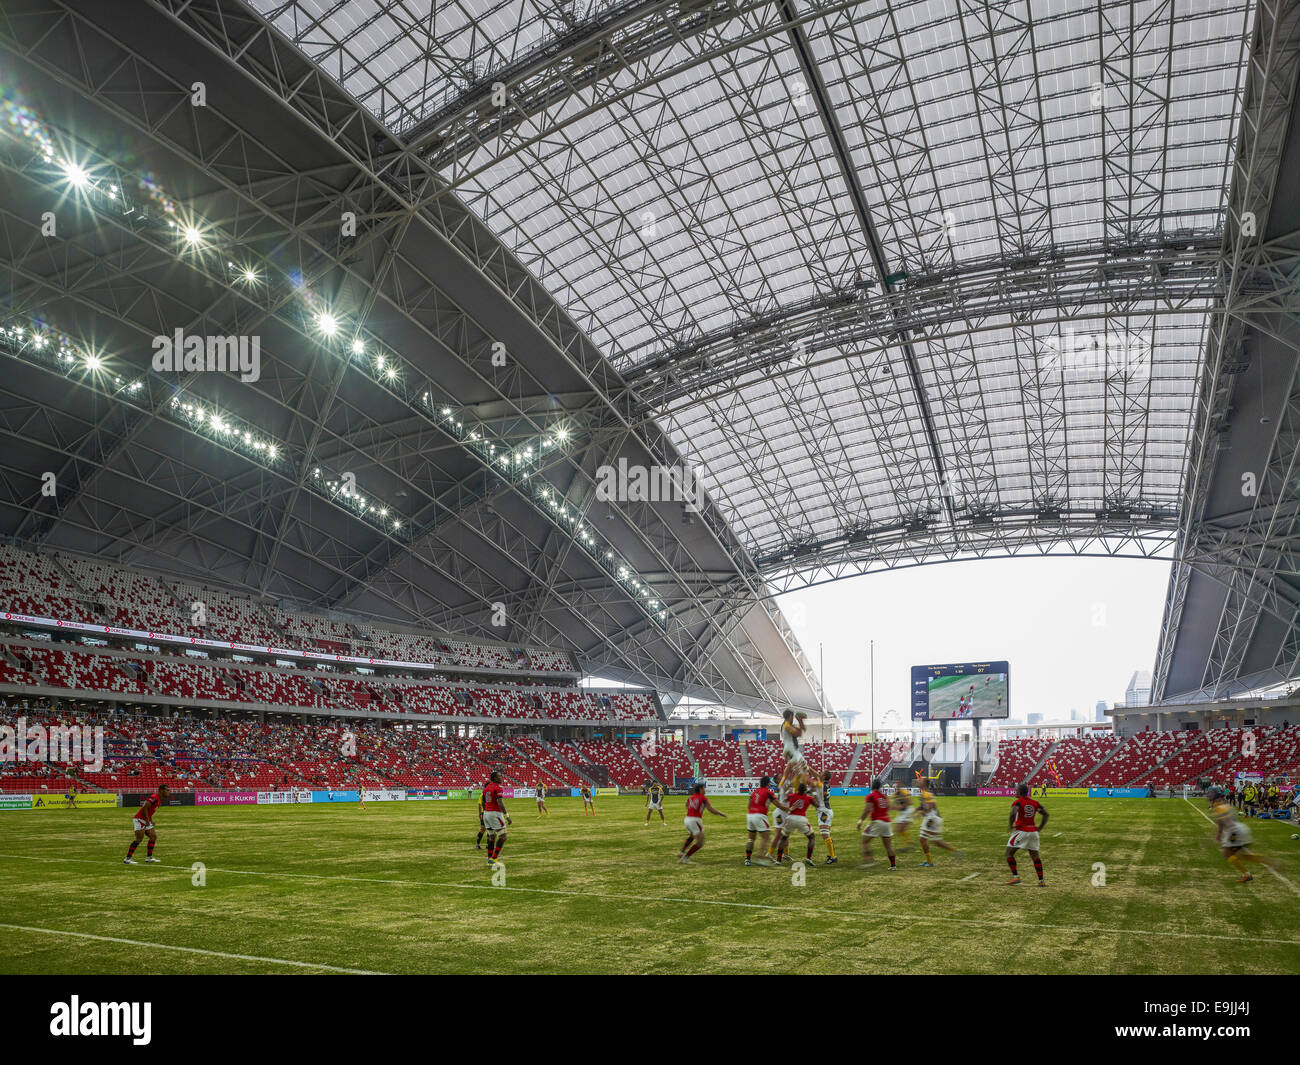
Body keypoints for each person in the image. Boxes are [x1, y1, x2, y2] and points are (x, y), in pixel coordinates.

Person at [1005, 783, 1048, 886]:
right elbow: (1046, 814)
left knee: (1009, 853)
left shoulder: (1018, 802)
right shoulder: (1035, 802)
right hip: (1033, 832)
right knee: (1035, 856)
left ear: (1020, 792)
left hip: (1022, 831)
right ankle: (1041, 881)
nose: (1015, 791)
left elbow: (1013, 813)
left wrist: (1011, 825)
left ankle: (1016, 877)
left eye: (1016, 790)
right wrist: (1040, 827)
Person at [678, 782, 726, 864]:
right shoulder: (703, 798)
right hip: (695, 820)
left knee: (692, 836)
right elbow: (711, 810)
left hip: (687, 819)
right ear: (700, 789)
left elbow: (686, 805)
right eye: (704, 788)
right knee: (700, 842)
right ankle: (685, 858)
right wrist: (720, 813)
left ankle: (681, 852)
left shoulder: (691, 797)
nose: (705, 790)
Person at [774, 781, 819, 867]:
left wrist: (789, 790)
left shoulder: (792, 796)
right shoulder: (809, 798)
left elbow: (785, 799)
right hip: (801, 819)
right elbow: (817, 805)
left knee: (784, 838)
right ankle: (808, 858)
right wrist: (814, 795)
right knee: (811, 837)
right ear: (805, 790)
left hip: (790, 818)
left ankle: (778, 860)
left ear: (798, 789)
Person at [856, 778, 897, 870]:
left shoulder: (871, 796)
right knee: (888, 846)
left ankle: (870, 861)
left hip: (877, 822)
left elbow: (867, 809)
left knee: (864, 841)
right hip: (886, 822)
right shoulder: (884, 796)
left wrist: (860, 821)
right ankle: (893, 865)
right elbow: (889, 807)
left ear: (872, 785)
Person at [745, 775, 786, 866]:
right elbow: (779, 805)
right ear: (768, 783)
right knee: (765, 838)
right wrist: (789, 809)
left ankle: (747, 859)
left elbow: (749, 805)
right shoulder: (768, 792)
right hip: (760, 816)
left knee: (751, 839)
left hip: (750, 815)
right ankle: (760, 858)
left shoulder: (754, 792)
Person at [124, 784, 169, 865]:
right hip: (140, 819)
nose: (168, 792)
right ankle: (127, 859)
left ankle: (149, 857)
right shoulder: (154, 797)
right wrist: (148, 820)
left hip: (146, 820)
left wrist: (151, 820)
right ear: (161, 790)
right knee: (139, 839)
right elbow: (145, 807)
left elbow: (149, 810)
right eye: (167, 790)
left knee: (153, 836)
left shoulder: (159, 799)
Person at [918, 792, 961, 866]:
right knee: (936, 841)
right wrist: (918, 810)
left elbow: (930, 808)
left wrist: (922, 813)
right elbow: (924, 806)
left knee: (922, 839)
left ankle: (930, 862)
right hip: (933, 818)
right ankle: (955, 852)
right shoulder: (924, 794)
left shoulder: (928, 794)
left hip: (931, 819)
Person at [481, 770, 511, 865]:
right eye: (499, 777)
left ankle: (490, 860)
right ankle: (494, 858)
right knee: (503, 836)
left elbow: (483, 801)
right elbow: (500, 802)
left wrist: (485, 811)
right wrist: (507, 816)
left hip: (486, 813)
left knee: (491, 837)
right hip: (495, 814)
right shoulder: (497, 788)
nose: (501, 778)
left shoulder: (486, 788)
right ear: (494, 778)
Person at [815, 769, 837, 864]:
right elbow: (817, 775)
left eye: (821, 773)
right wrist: (808, 767)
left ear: (823, 777)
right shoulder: (826, 783)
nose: (819, 774)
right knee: (826, 834)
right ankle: (832, 855)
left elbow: (816, 777)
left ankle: (832, 857)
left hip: (824, 812)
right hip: (826, 810)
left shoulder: (822, 785)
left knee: (825, 834)